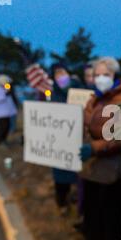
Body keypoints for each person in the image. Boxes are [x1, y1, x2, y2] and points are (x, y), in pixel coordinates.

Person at [72, 57, 121, 240]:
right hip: (91, 169)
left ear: (114, 76)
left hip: (111, 171)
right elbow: (85, 126)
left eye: (105, 74)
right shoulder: (94, 99)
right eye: (97, 74)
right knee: (91, 217)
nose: (100, 78)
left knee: (110, 221)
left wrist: (95, 148)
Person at [48, 63, 83, 215]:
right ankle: (61, 201)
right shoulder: (53, 93)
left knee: (78, 174)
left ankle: (77, 199)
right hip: (59, 142)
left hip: (77, 138)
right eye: (57, 74)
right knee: (60, 176)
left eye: (62, 72)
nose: (60, 76)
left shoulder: (79, 90)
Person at [0, 75, 17, 146]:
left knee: (7, 127)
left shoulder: (3, 87)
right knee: (2, 127)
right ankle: (0, 141)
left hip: (6, 112)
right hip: (0, 113)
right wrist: (6, 93)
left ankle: (4, 140)